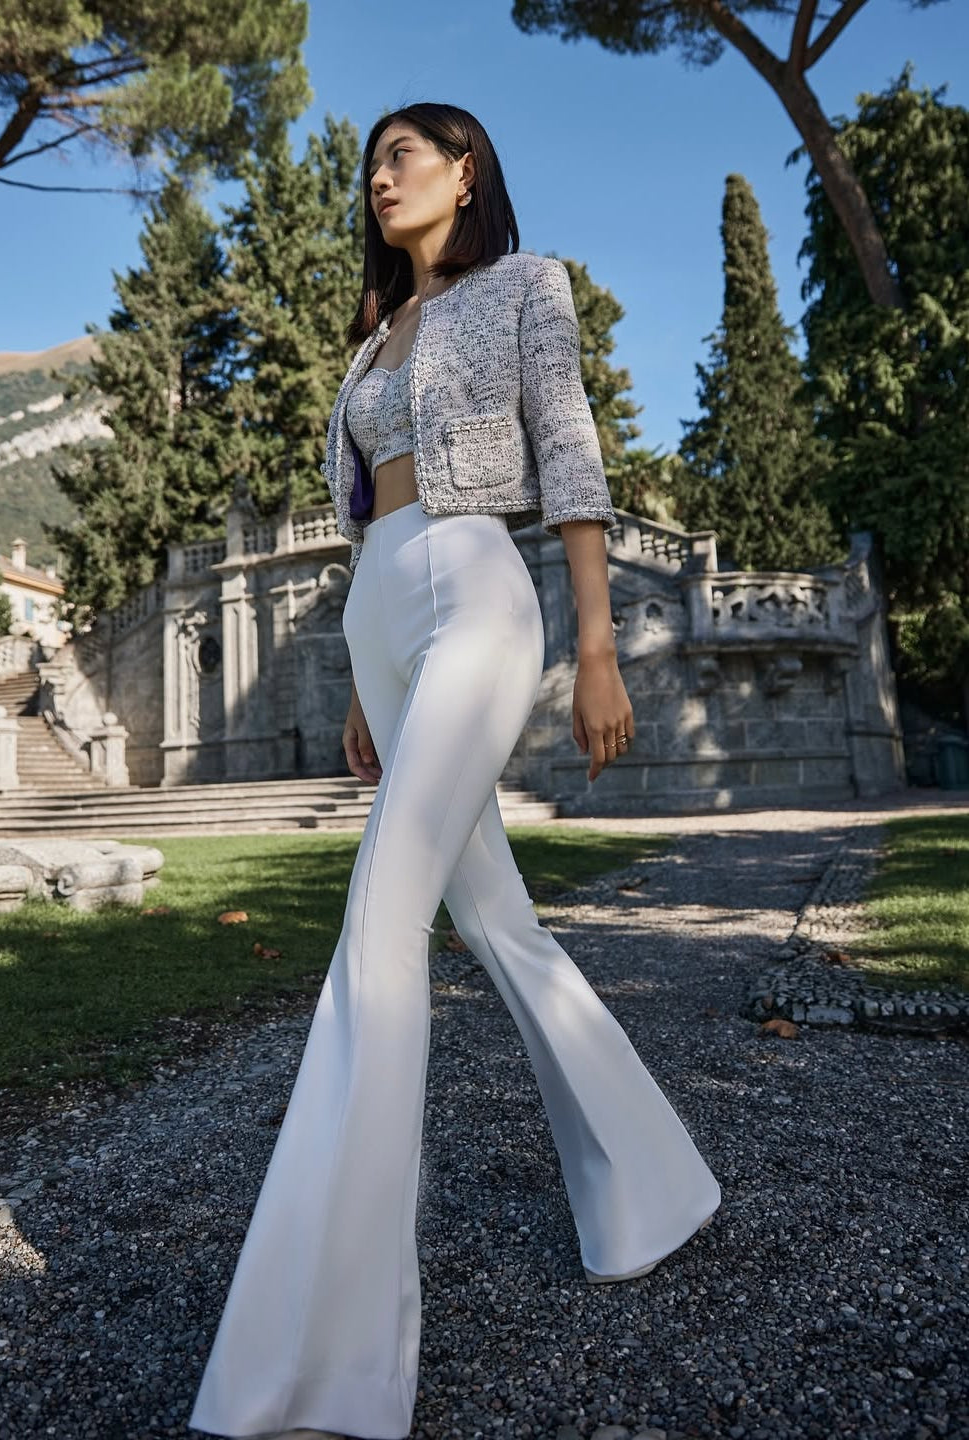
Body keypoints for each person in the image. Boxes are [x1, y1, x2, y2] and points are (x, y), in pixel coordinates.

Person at [189, 102, 721, 1440]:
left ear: (465, 172)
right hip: (384, 609)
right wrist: (369, 689)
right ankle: (655, 1185)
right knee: (498, 921)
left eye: (403, 156)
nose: (379, 178)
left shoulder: (524, 288)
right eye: (370, 165)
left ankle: (325, 1357)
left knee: (380, 926)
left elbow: (572, 450)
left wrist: (595, 645)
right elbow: (363, 521)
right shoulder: (371, 341)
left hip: (482, 591)